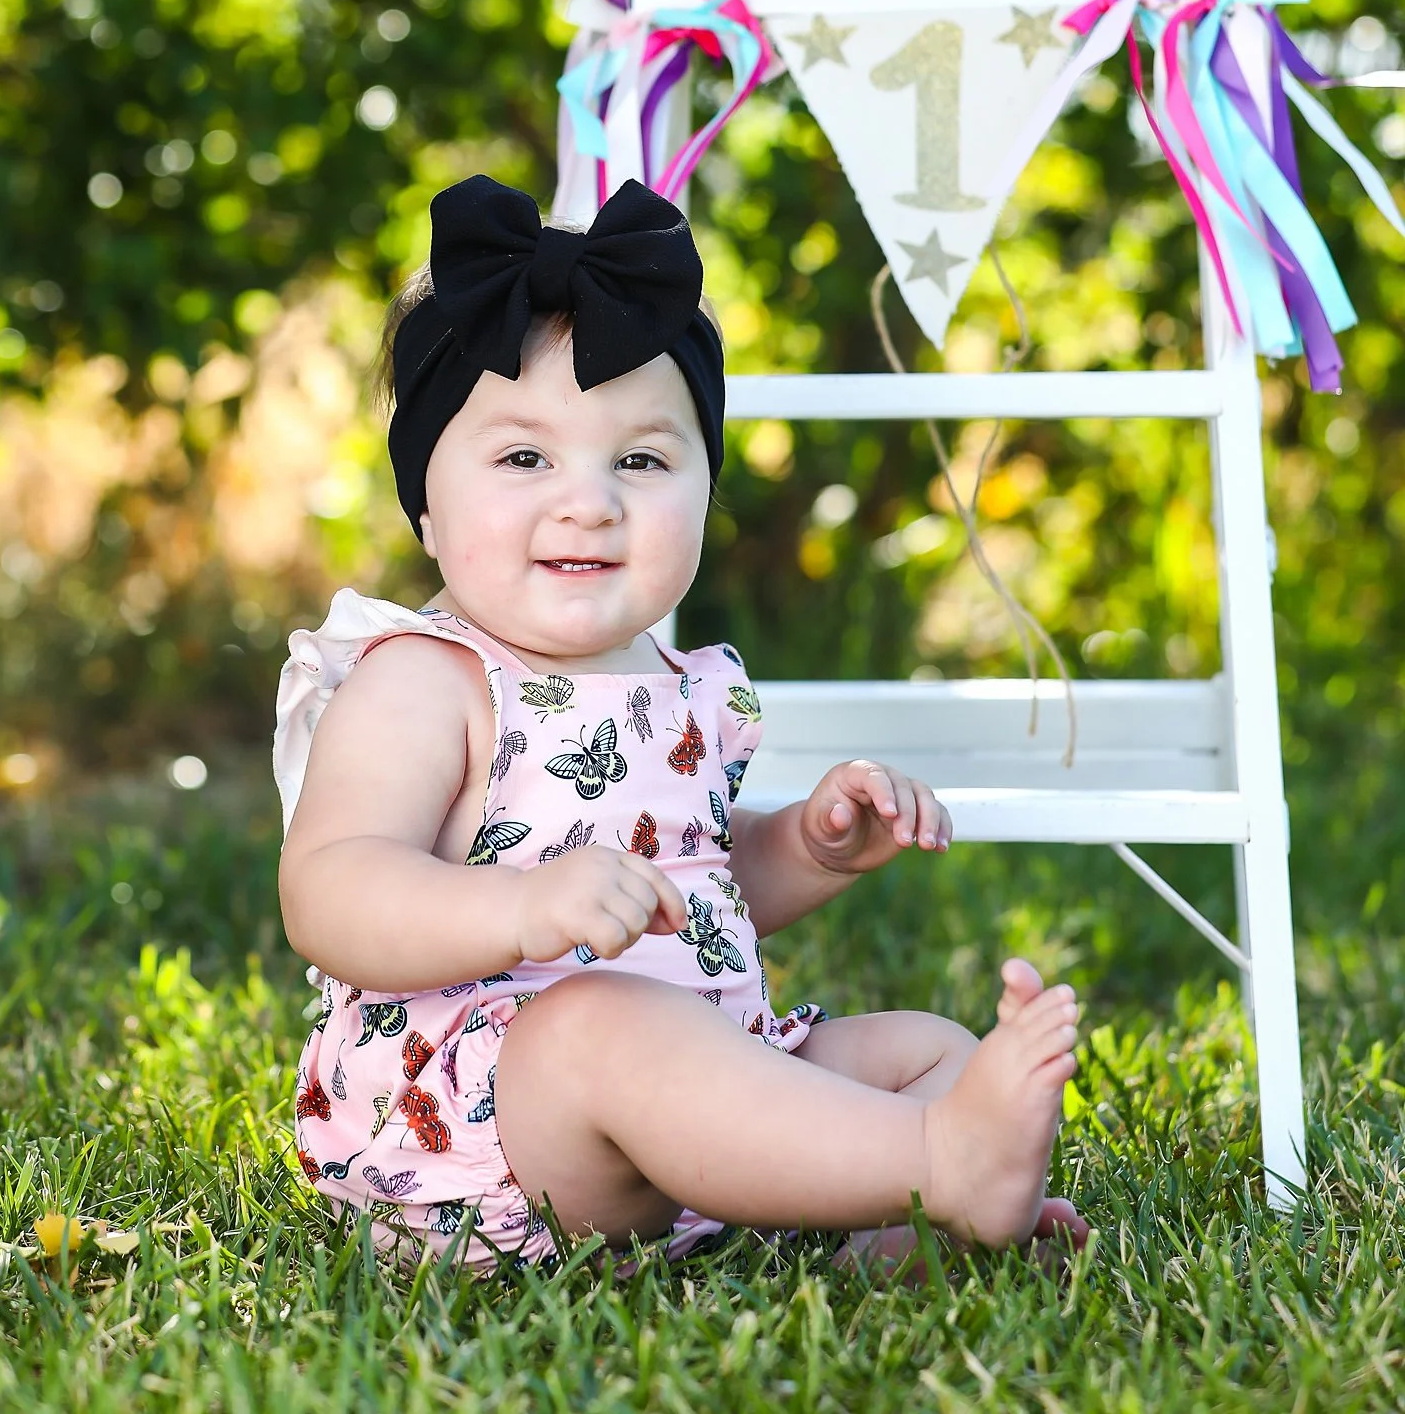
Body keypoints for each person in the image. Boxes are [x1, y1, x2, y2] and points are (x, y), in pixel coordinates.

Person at [274, 173, 1086, 1273]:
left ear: (705, 490)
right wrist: (520, 904)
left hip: (693, 1091)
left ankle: (891, 1225)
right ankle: (947, 1160)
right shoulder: (429, 677)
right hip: (492, 1132)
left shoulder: (682, 681)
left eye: (642, 460)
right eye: (524, 457)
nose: (589, 499)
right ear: (426, 501)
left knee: (918, 1046)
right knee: (598, 1025)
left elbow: (694, 897)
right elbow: (329, 889)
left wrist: (806, 844)